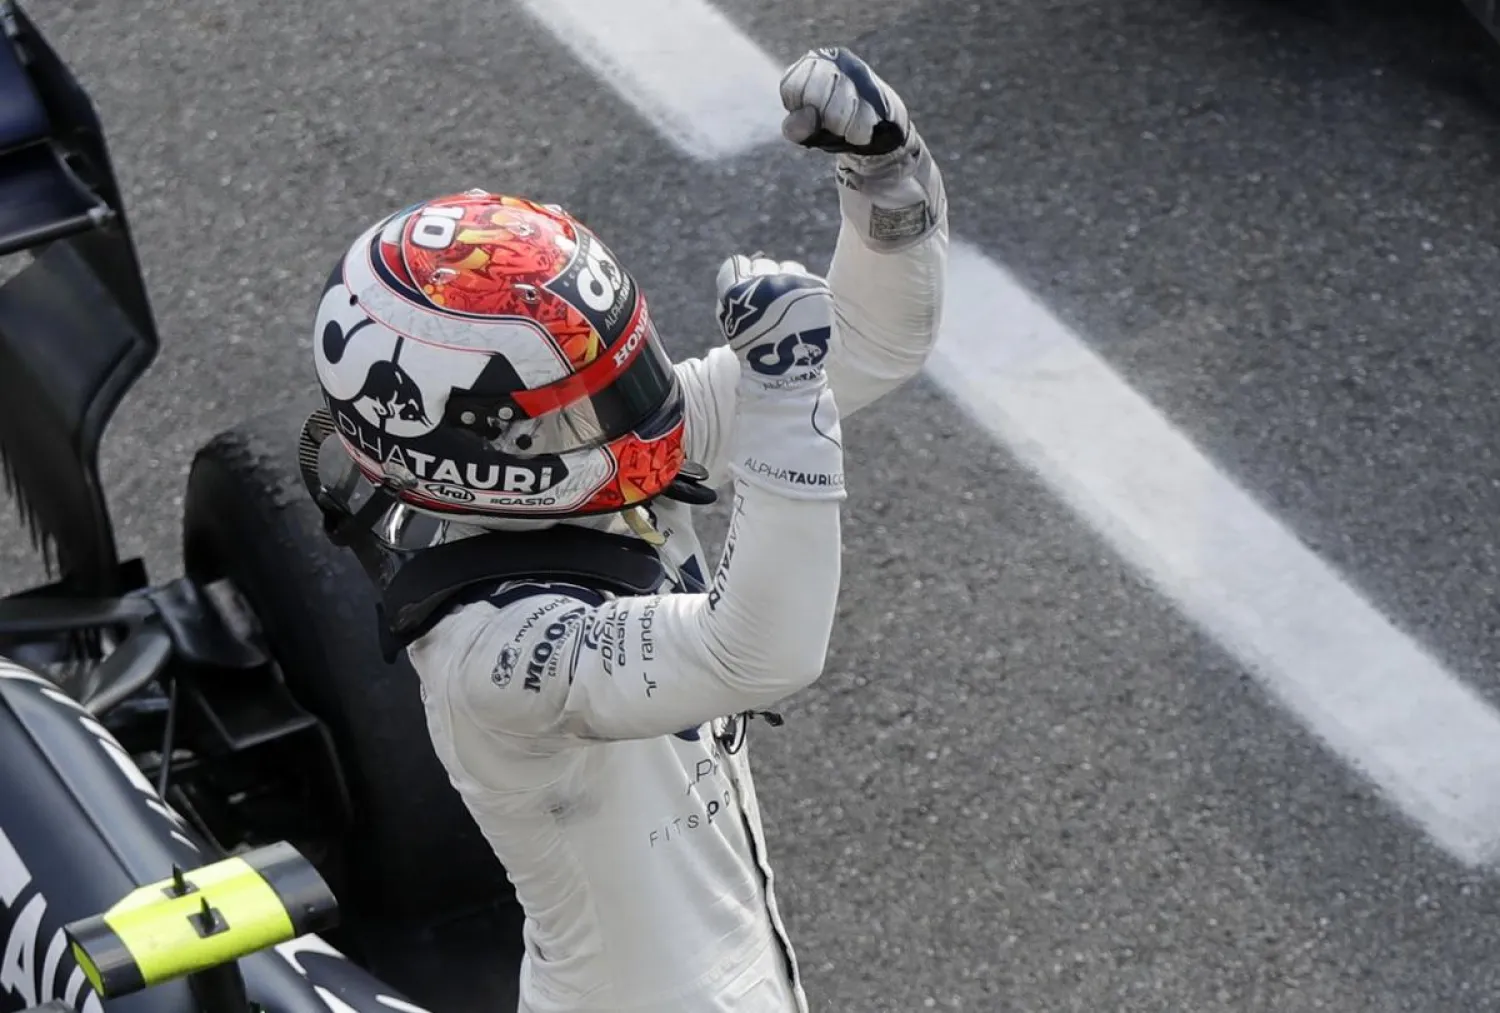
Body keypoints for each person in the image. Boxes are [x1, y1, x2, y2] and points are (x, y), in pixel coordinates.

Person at [307, 46, 948, 1013]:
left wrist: (885, 177)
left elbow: (870, 342)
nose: (639, 408)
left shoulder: (584, 462)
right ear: (475, 450)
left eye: (626, 364)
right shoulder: (490, 651)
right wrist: (779, 406)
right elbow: (760, 655)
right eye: (584, 397)